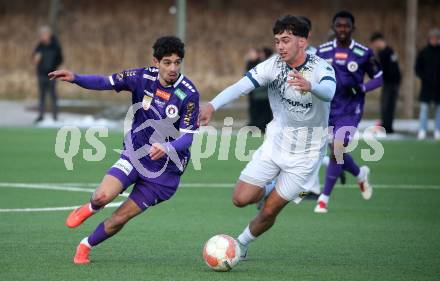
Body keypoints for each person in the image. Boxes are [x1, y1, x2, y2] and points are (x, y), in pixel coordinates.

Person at [48, 36, 199, 264]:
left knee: (119, 218)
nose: (173, 68)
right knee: (102, 196)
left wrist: (168, 147)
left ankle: (85, 246)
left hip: (163, 174)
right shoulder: (141, 77)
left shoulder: (188, 94)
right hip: (135, 155)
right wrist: (76, 78)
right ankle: (91, 206)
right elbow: (105, 82)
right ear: (155, 61)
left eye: (177, 63)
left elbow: (188, 137)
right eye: (167, 62)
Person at [199, 15, 336, 259]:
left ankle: (240, 245)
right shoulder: (272, 66)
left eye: (286, 40)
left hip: (306, 156)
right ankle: (271, 187)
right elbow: (241, 86)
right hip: (274, 146)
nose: (280, 46)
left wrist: (310, 86)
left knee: (270, 210)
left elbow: (329, 91)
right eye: (277, 41)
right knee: (240, 199)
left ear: (303, 41)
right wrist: (212, 105)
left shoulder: (321, 68)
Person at [314, 11, 383, 213]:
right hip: (327, 109)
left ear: (353, 28)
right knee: (337, 151)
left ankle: (323, 199)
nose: (342, 29)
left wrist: (363, 88)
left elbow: (379, 77)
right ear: (333, 27)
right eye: (339, 26)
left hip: (351, 110)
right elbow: (312, 74)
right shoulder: (322, 51)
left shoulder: (363, 53)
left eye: (346, 26)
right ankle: (360, 174)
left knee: (337, 149)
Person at [370, 32, 401, 134]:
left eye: (374, 43)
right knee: (384, 105)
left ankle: (388, 128)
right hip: (387, 83)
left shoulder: (389, 52)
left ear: (378, 41)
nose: (374, 46)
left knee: (389, 105)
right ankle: (385, 125)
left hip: (392, 84)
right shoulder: (382, 53)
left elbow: (393, 70)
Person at [33, 25, 63, 122]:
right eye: (41, 35)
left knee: (53, 95)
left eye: (44, 35)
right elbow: (34, 57)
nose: (42, 37)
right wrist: (36, 59)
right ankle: (41, 115)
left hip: (52, 74)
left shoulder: (55, 46)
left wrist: (54, 68)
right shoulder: (39, 46)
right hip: (41, 74)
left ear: (48, 35)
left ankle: (55, 116)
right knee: (42, 95)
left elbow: (60, 58)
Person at [415, 28, 440, 140]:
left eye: (437, 38)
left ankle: (437, 130)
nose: (434, 40)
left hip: (439, 87)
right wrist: (424, 77)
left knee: (438, 110)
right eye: (433, 38)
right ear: (429, 39)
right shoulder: (424, 52)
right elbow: (417, 68)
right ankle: (422, 130)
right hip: (426, 86)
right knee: (424, 109)